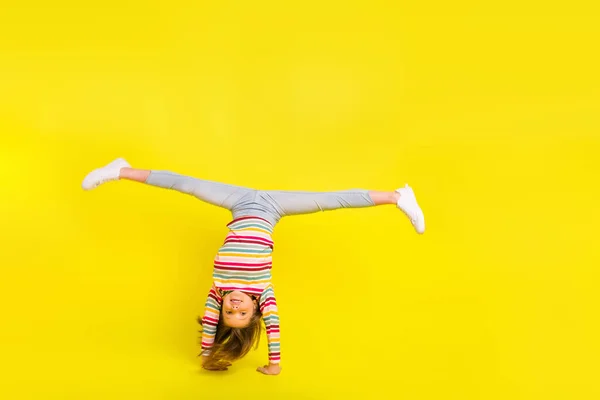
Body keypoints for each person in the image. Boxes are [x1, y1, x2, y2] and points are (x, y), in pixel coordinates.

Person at [82, 157, 425, 375]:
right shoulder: (264, 292)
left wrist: (207, 354)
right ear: (254, 311)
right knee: (330, 200)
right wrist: (274, 364)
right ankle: (398, 196)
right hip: (274, 207)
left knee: (184, 184)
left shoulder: (218, 291)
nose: (233, 307)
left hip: (240, 202)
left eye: (230, 313)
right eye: (241, 313)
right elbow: (274, 329)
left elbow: (211, 325)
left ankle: (121, 170)